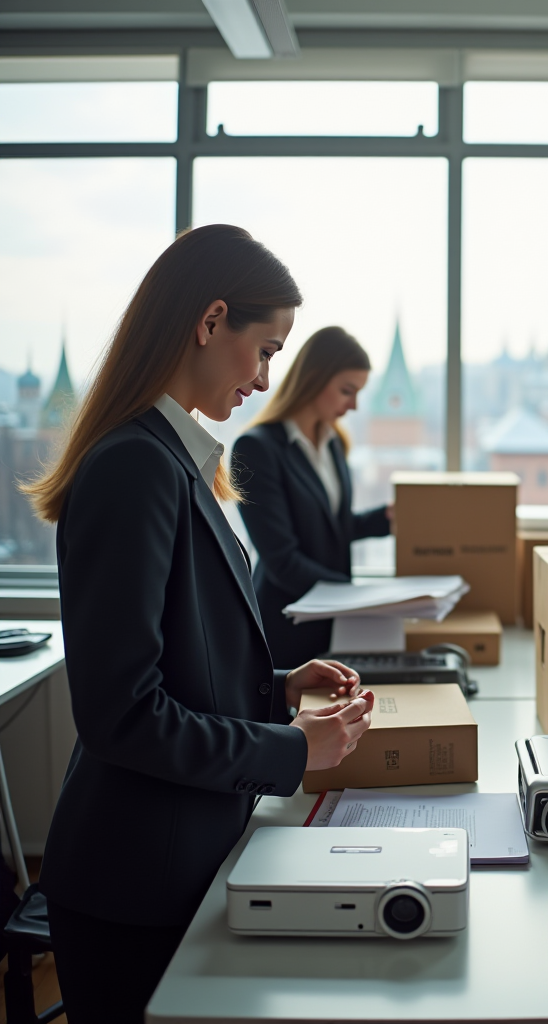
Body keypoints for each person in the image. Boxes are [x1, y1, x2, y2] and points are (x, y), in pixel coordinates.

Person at [22, 224, 375, 1024]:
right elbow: (122, 714)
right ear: (212, 321)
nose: (266, 378)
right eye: (266, 350)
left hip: (178, 854)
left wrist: (278, 687)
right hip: (133, 880)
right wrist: (293, 750)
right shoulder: (135, 465)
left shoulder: (174, 455)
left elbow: (182, 658)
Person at [232, 326, 391, 668]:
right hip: (285, 628)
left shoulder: (333, 443)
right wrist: (359, 595)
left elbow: (331, 528)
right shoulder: (256, 449)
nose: (354, 405)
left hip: (332, 626)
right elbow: (282, 560)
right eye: (347, 391)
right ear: (314, 378)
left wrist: (387, 519)